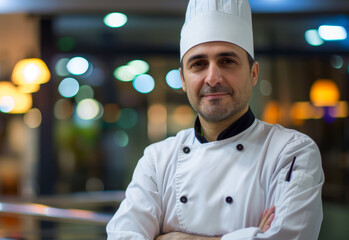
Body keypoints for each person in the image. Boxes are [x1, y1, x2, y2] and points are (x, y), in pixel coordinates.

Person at [106, 0, 324, 239]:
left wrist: (176, 237)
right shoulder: (157, 160)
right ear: (183, 79)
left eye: (227, 61)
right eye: (198, 64)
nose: (212, 78)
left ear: (253, 74)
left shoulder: (291, 152)